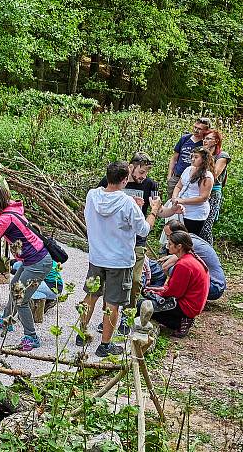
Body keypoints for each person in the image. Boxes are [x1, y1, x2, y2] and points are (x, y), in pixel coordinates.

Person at [78, 161, 161, 357]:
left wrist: (129, 200)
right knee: (113, 303)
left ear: (108, 177)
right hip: (119, 260)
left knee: (91, 295)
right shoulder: (127, 203)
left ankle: (81, 333)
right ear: (125, 180)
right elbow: (144, 229)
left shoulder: (92, 195)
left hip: (97, 257)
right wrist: (154, 210)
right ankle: (105, 345)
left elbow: (105, 200)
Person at [0, 186, 54, 351]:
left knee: (21, 299)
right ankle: (6, 320)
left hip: (38, 262)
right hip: (32, 259)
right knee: (15, 287)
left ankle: (32, 337)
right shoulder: (9, 209)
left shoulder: (6, 218)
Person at [97, 152, 158, 314]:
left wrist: (170, 209)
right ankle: (107, 315)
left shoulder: (151, 185)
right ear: (130, 168)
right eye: (141, 172)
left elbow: (157, 207)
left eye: (146, 173)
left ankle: (128, 314)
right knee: (110, 281)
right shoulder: (110, 182)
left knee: (136, 280)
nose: (143, 176)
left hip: (138, 240)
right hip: (114, 240)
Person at [145, 231, 209, 337]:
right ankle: (181, 319)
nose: (167, 246)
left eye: (170, 244)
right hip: (192, 304)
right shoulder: (190, 258)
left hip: (187, 306)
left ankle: (179, 322)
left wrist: (154, 292)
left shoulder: (184, 264)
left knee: (145, 307)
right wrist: (157, 290)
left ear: (179, 246)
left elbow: (174, 293)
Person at [160, 220, 225, 301]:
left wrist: (163, 289)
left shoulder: (190, 244)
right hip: (216, 284)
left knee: (174, 269)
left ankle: (177, 294)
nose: (167, 239)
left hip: (215, 287)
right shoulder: (189, 239)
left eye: (169, 236)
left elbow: (165, 267)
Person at [172, 147, 214, 237]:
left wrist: (182, 201)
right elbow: (178, 186)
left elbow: (203, 197)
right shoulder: (188, 169)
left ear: (203, 160)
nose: (192, 159)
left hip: (195, 213)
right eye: (192, 156)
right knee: (176, 236)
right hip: (180, 208)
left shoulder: (207, 176)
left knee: (189, 238)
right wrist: (174, 197)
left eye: (196, 157)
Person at [167, 117, 211, 198]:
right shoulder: (185, 139)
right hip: (177, 177)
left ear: (206, 131)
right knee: (171, 202)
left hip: (194, 179)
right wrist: (169, 175)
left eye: (199, 129)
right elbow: (174, 158)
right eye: (195, 127)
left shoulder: (204, 143)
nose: (196, 130)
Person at [200, 129, 231, 245]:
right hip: (199, 191)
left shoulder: (222, 156)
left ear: (216, 141)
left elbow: (214, 174)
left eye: (208, 138)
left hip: (213, 193)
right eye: (204, 138)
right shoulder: (201, 153)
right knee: (197, 224)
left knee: (206, 226)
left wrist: (207, 156)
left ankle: (208, 253)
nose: (205, 141)